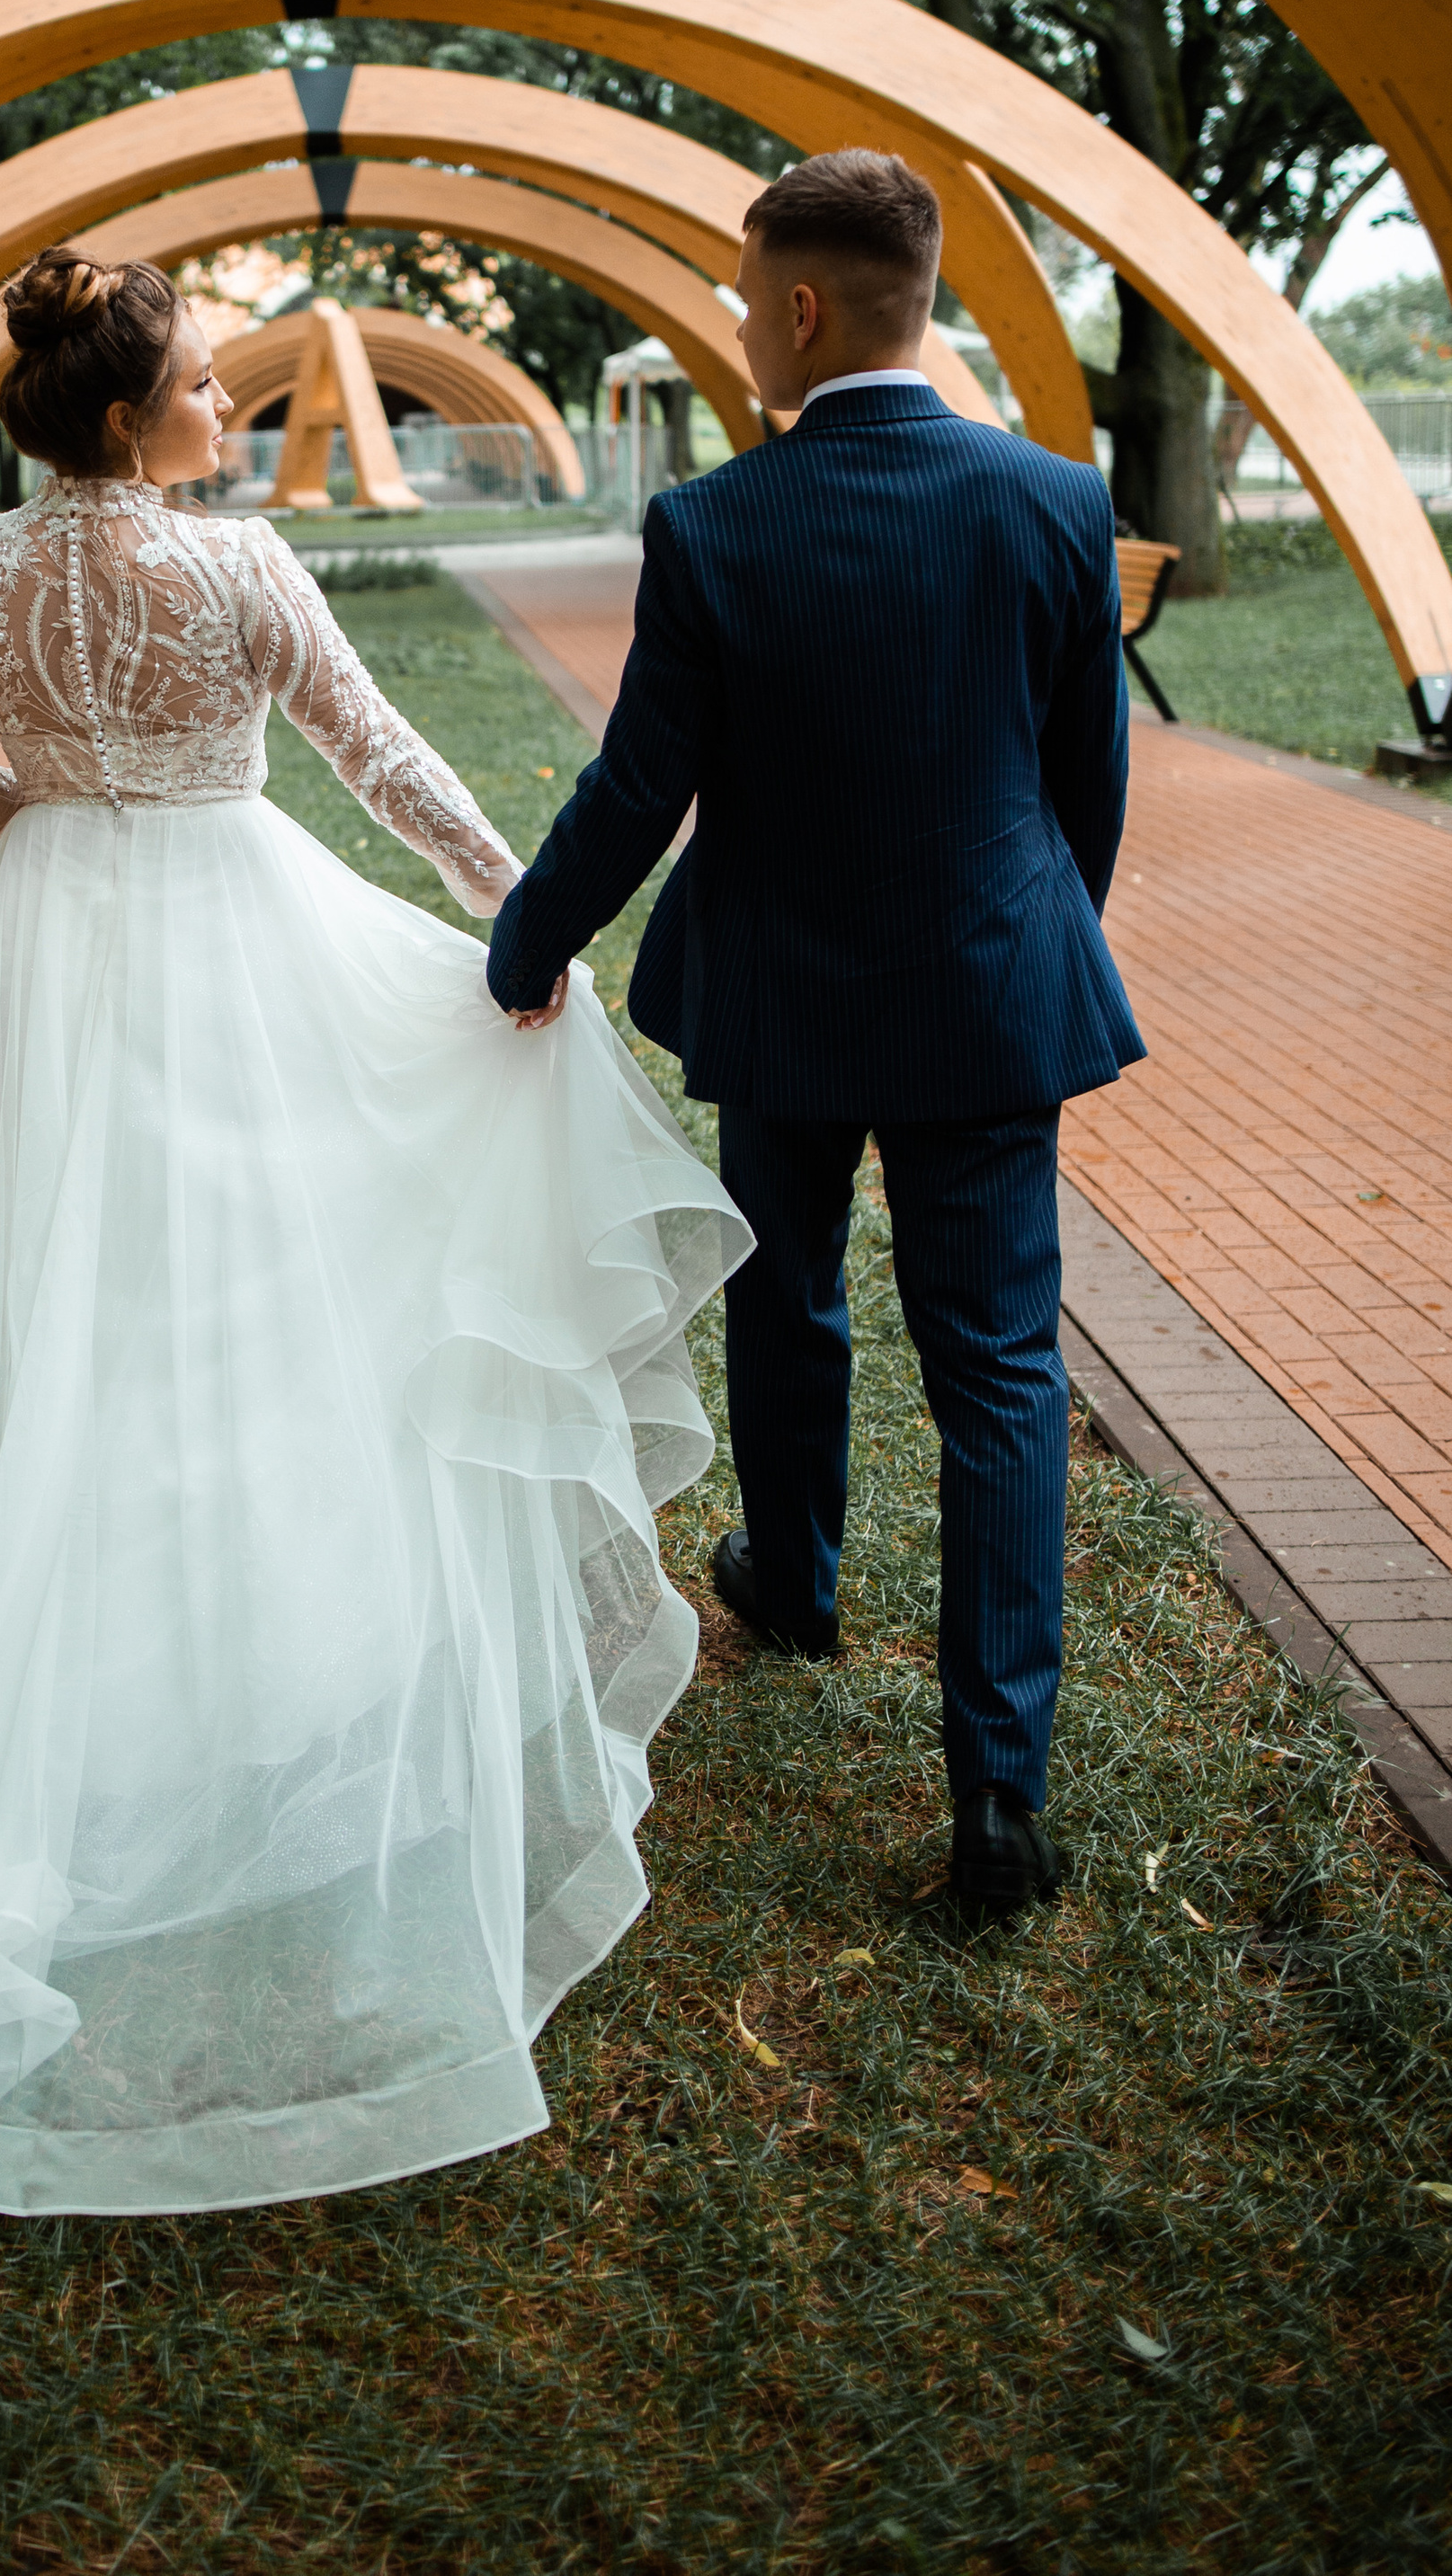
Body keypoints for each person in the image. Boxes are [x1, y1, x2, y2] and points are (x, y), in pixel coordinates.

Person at [0, 248, 749, 2215]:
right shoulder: (237, 571)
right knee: (263, 1297)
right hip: (238, 926)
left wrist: (58, 822)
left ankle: (73, 1632)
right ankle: (272, 1649)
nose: (230, 404)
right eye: (206, 382)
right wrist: (516, 917)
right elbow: (380, 761)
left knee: (81, 1302)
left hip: (46, 955)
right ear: (132, 419)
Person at [486, 151, 1140, 1914]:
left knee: (786, 1294)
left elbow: (639, 786)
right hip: (989, 995)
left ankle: (792, 1574)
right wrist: (1009, 947)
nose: (737, 328)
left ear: (795, 305)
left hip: (774, 992)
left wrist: (527, 943)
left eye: (738, 295)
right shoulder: (1051, 503)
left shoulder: (715, 524)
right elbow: (1083, 784)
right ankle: (995, 1800)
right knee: (997, 1371)